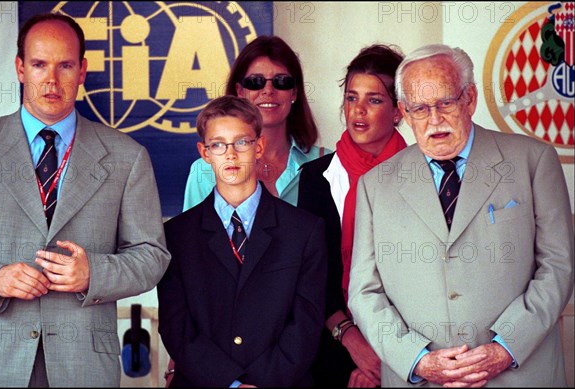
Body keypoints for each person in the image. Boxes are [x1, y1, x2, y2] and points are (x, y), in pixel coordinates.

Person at [348, 43, 574, 387]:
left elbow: (558, 267)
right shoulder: (374, 185)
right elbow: (364, 292)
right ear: (405, 113)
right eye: (420, 109)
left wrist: (505, 348)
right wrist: (417, 360)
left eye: (445, 103)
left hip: (520, 374)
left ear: (469, 99)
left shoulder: (534, 161)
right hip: (422, 379)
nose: (434, 119)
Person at [0, 13, 170, 387]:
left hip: (84, 365)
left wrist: (93, 274)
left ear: (82, 71)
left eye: (65, 65)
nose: (51, 79)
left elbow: (152, 255)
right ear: (19, 68)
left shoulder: (127, 156)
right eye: (39, 64)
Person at [158, 95, 327, 387]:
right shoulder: (176, 235)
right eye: (218, 144)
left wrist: (261, 382)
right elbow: (177, 326)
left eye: (242, 142)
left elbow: (306, 324)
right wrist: (230, 382)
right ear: (204, 152)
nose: (231, 154)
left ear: (259, 146)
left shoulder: (304, 230)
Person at [298, 44, 406, 388]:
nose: (357, 111)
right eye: (351, 97)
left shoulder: (423, 175)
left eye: (374, 100)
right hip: (332, 348)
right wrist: (354, 344)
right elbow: (312, 274)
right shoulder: (316, 176)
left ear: (398, 111)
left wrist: (382, 356)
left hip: (408, 350)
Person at [182, 35, 330, 211]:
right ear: (240, 91)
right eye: (255, 82)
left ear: (294, 92)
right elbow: (194, 235)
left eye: (281, 81)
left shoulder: (326, 164)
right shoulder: (204, 170)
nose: (268, 90)